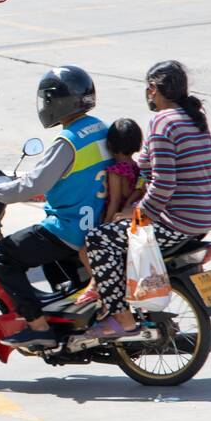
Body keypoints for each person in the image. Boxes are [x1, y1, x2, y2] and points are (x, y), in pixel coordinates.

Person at [78, 61, 211, 340]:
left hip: (177, 223)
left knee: (99, 238)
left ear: (152, 90)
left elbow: (163, 183)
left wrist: (139, 214)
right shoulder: (193, 118)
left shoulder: (162, 121)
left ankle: (121, 321)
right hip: (205, 220)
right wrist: (202, 198)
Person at [0, 66, 111, 349]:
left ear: (60, 102)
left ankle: (38, 327)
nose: (45, 105)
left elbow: (33, 185)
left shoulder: (67, 142)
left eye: (48, 99)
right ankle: (72, 319)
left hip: (69, 227)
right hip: (96, 223)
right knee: (49, 263)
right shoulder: (99, 128)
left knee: (2, 256)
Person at [75, 118, 144, 308]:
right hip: (131, 218)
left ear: (110, 144)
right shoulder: (137, 168)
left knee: (85, 251)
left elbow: (114, 201)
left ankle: (100, 284)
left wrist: (103, 227)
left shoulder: (115, 170)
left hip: (117, 218)